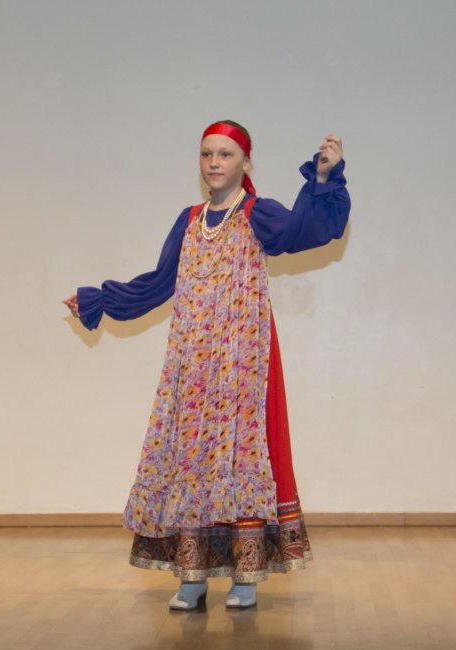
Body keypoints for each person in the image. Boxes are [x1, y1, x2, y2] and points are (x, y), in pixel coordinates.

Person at [64, 120, 349, 610]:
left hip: (242, 359)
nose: (215, 163)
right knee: (190, 458)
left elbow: (303, 232)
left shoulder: (257, 213)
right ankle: (191, 576)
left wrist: (323, 178)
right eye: (207, 154)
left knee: (239, 458)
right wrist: (100, 300)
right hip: (195, 361)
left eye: (225, 154)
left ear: (245, 162)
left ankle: (245, 578)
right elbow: (159, 282)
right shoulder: (190, 219)